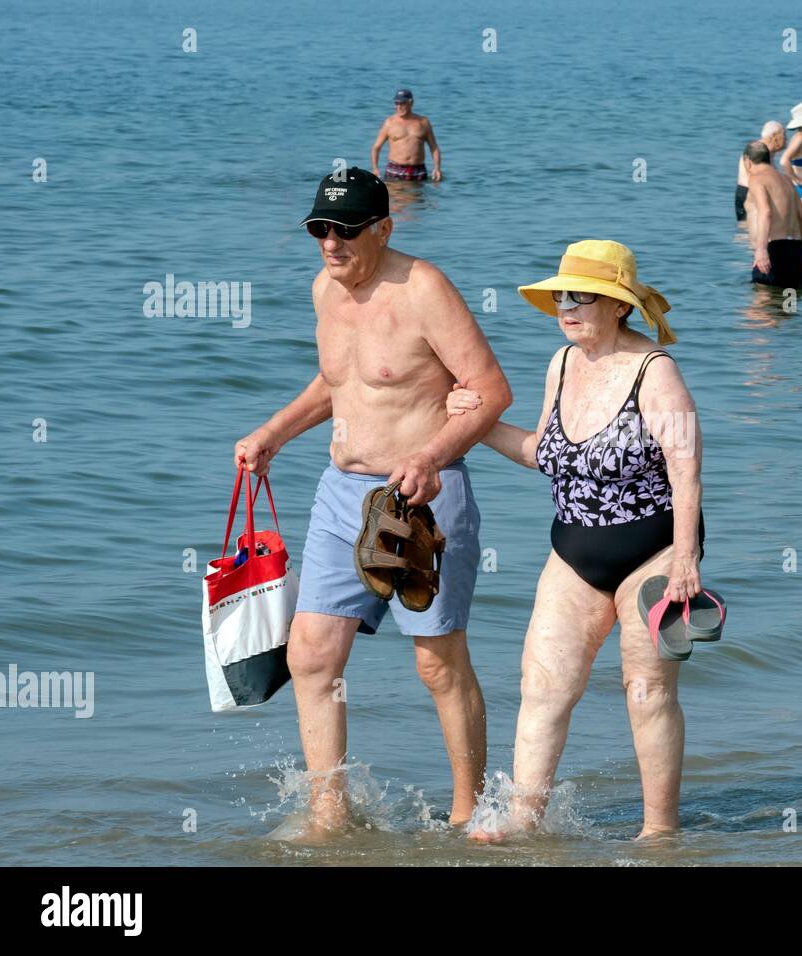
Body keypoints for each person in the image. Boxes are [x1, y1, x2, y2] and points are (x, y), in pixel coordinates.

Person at [233, 167, 511, 839]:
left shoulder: (424, 289)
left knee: (436, 663)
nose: (331, 244)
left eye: (347, 231)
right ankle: (331, 812)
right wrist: (274, 431)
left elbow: (491, 389)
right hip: (340, 493)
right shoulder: (325, 290)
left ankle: (470, 813)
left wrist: (431, 456)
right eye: (319, 230)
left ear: (384, 228)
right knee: (310, 655)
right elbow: (344, 382)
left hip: (424, 496)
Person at [445, 240, 706, 841]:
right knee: (542, 684)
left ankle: (658, 831)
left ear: (618, 306)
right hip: (573, 551)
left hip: (654, 551)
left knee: (645, 693)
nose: (566, 305)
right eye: (561, 295)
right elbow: (545, 454)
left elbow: (686, 467)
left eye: (581, 295)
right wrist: (476, 424)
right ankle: (521, 820)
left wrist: (686, 558)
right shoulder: (562, 362)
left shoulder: (655, 371)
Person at [744, 141, 802, 290]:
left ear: (747, 161)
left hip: (773, 251)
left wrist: (761, 250)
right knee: (788, 309)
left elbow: (766, 212)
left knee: (761, 309)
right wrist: (800, 250)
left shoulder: (757, 179)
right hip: (795, 253)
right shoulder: (787, 180)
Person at [371, 89, 443, 182]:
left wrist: (437, 168)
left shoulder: (423, 122)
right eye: (396, 103)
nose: (399, 107)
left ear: (411, 103)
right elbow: (376, 148)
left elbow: (434, 148)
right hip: (395, 169)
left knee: (418, 196)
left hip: (418, 170)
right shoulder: (389, 123)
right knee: (395, 196)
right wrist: (375, 169)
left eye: (403, 103)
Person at [734, 120, 786, 222]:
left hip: (749, 191)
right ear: (774, 136)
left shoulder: (767, 151)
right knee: (750, 228)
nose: (785, 139)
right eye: (783, 135)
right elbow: (758, 176)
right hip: (750, 193)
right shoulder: (757, 151)